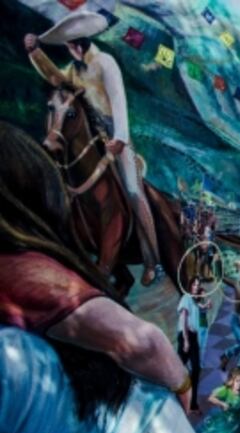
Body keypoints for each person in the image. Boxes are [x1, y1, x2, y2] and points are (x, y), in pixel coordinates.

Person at [0, 122, 238, 433]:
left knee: (132, 192)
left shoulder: (24, 278)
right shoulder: (48, 281)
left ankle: (151, 251)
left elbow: (143, 341)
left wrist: (184, 392)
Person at [25, 12, 162, 286]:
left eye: (70, 45)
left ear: (79, 44)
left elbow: (118, 100)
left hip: (115, 136)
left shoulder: (105, 63)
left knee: (134, 191)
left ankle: (152, 260)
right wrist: (35, 53)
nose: (70, 50)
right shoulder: (74, 70)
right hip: (91, 137)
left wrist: (120, 138)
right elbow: (54, 77)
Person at [176, 277, 208, 414]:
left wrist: (206, 306)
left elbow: (202, 309)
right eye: (194, 284)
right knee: (178, 367)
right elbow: (183, 319)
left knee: (196, 369)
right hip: (186, 335)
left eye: (198, 285)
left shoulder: (194, 302)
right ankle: (174, 396)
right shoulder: (186, 298)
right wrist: (186, 340)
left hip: (193, 337)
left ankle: (193, 404)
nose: (196, 286)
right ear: (190, 286)